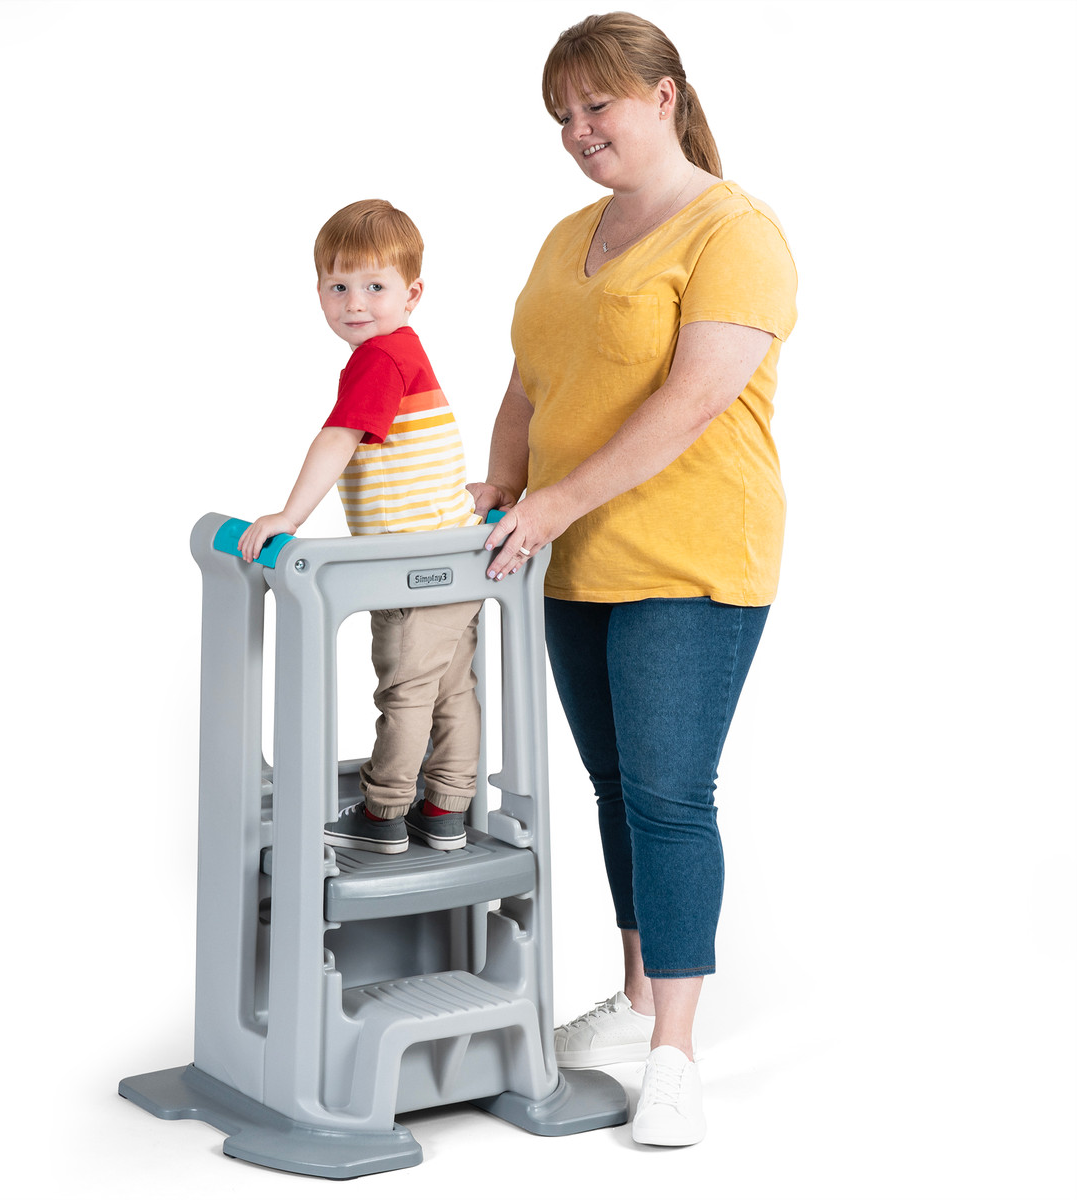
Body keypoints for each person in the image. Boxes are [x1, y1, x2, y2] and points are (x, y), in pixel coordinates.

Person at [469, 13, 797, 1147]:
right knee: (616, 792)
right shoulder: (573, 234)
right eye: (562, 116)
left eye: (595, 106)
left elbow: (693, 399)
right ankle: (637, 996)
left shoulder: (735, 231)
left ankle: (676, 1056)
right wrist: (507, 482)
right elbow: (529, 375)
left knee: (668, 795)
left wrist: (553, 501)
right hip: (574, 556)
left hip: (691, 554)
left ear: (664, 96)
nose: (577, 131)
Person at [239, 199, 482, 855]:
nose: (355, 302)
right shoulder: (404, 351)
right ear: (318, 289)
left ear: (413, 293)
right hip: (455, 553)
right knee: (451, 687)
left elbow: (339, 438)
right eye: (338, 286)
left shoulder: (378, 359)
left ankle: (383, 815)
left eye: (375, 286)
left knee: (405, 690)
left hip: (411, 564)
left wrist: (289, 516)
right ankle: (445, 810)